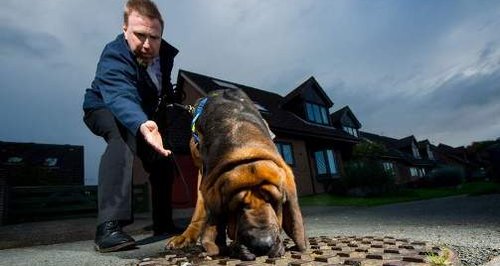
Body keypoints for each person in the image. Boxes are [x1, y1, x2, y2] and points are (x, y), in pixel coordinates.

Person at [82, 0, 182, 253]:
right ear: (125, 29)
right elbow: (119, 94)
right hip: (104, 106)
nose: (147, 45)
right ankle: (108, 227)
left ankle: (163, 222)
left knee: (163, 159)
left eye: (154, 37)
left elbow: (160, 90)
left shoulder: (164, 54)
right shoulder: (114, 54)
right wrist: (142, 124)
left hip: (145, 115)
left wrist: (167, 110)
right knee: (122, 136)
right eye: (139, 35)